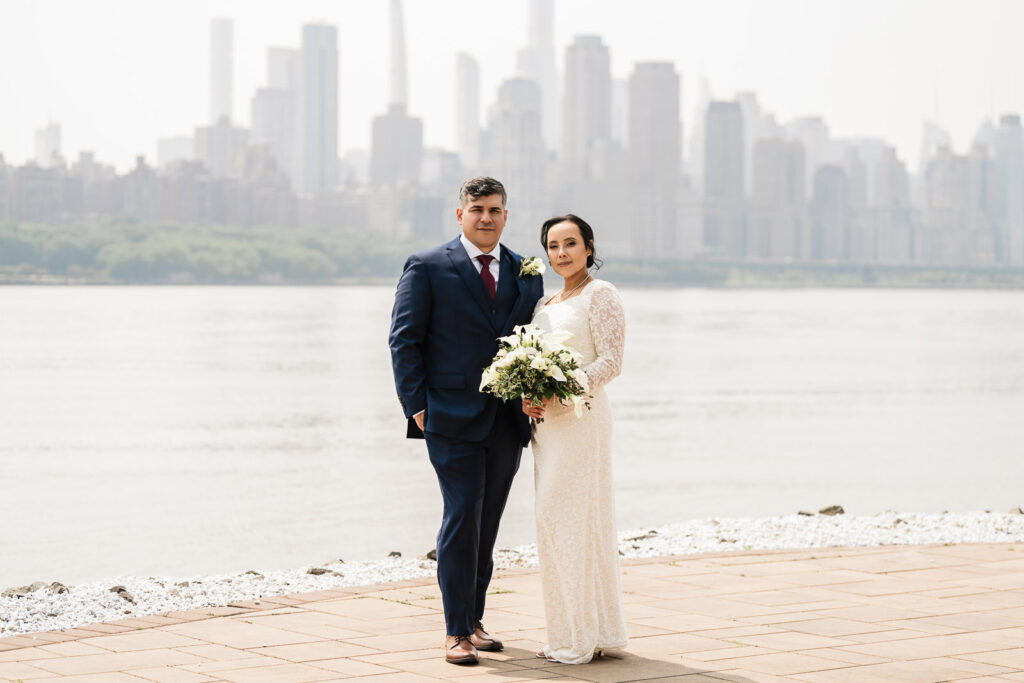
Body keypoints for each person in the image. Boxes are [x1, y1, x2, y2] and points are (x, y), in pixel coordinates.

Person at [389, 177, 544, 666]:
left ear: (505, 215)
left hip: (507, 418)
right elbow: (404, 340)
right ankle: (455, 630)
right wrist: (417, 407)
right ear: (459, 214)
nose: (486, 218)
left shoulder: (526, 270)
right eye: (477, 209)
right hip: (448, 417)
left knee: (488, 521)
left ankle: (475, 621)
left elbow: (527, 339)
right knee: (461, 516)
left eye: (495, 210)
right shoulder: (429, 265)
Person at [521, 214, 628, 664]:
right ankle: (586, 629)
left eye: (570, 243)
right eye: (553, 245)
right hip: (548, 427)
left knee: (575, 520)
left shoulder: (600, 295)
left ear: (588, 246)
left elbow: (611, 362)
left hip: (582, 420)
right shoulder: (545, 302)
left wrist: (563, 387)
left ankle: (579, 639)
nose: (561, 253)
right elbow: (532, 360)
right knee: (555, 523)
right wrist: (528, 395)